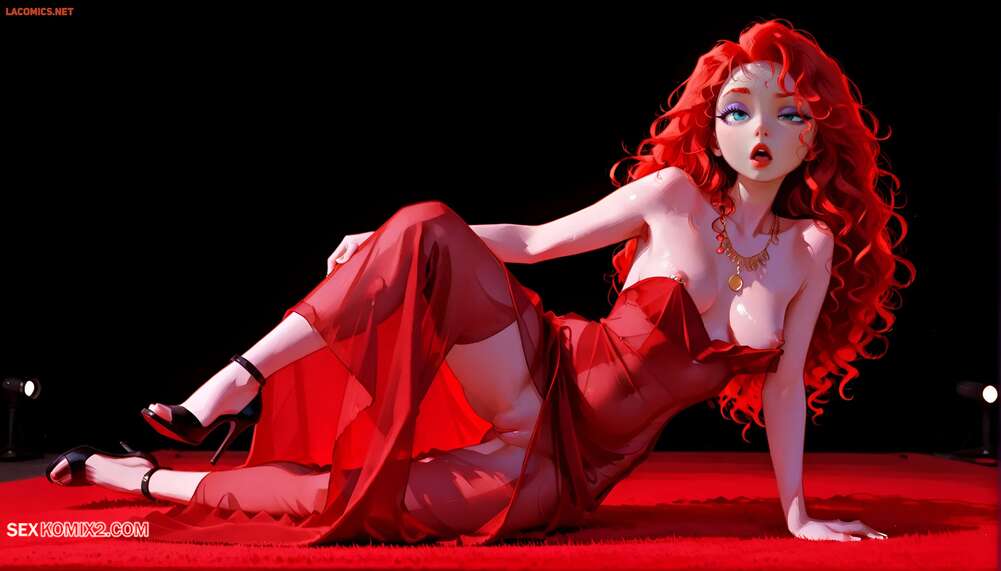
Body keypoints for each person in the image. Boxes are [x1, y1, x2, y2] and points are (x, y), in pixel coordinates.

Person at [45, 19, 911, 546]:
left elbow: (784, 388)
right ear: (712, 125)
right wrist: (387, 244)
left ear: (814, 137)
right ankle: (235, 380)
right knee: (426, 223)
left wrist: (796, 515)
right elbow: (531, 242)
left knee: (363, 503)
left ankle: (132, 477)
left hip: (573, 469)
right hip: (538, 370)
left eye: (787, 113)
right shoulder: (673, 195)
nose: (761, 130)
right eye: (738, 109)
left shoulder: (808, 248)